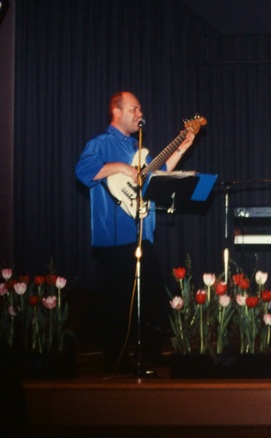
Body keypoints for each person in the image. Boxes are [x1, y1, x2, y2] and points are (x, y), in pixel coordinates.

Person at [75, 91, 196, 372]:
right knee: (119, 301)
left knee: (150, 297)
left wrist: (181, 148)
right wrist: (122, 168)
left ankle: (149, 353)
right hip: (115, 237)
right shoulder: (100, 143)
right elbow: (83, 171)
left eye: (140, 109)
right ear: (116, 112)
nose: (140, 114)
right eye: (134, 109)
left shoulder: (137, 146)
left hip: (143, 234)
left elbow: (158, 173)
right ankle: (116, 360)